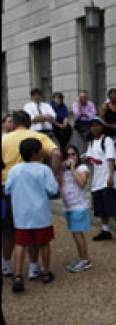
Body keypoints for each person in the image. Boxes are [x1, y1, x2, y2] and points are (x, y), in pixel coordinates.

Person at [1, 110, 62, 279]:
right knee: (36, 231)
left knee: (10, 232)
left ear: (14, 123)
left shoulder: (4, 139)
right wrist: (56, 175)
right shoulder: (38, 137)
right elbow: (56, 153)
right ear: (29, 123)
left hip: (8, 186)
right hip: (36, 188)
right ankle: (34, 267)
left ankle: (6, 265)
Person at [84, 116, 116, 246]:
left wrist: (110, 176)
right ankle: (105, 230)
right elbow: (90, 157)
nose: (94, 127)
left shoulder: (107, 140)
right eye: (92, 125)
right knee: (101, 209)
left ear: (102, 126)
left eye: (97, 125)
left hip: (107, 179)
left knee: (114, 208)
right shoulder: (91, 143)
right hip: (97, 181)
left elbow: (110, 158)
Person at [60, 145, 93, 273]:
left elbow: (82, 183)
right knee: (75, 234)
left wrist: (73, 168)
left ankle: (85, 260)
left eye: (73, 154)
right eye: (68, 155)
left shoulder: (82, 168)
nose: (71, 157)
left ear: (78, 155)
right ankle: (82, 257)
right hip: (69, 207)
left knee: (78, 233)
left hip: (79, 206)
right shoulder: (64, 170)